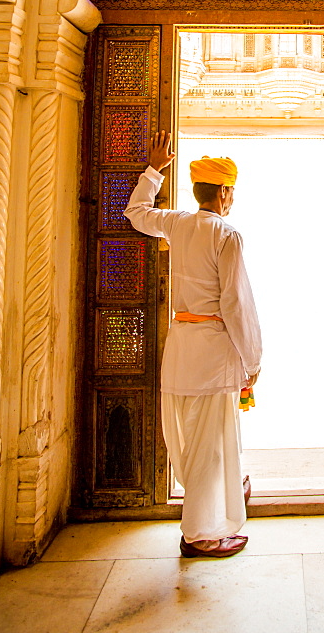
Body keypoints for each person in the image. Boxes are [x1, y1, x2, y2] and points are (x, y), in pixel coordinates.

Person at [124, 131, 262, 558]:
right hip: (213, 352)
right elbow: (236, 303)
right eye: (232, 192)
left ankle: (228, 493)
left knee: (194, 438)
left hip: (180, 349)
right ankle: (200, 535)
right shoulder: (226, 235)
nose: (233, 199)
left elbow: (136, 213)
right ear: (223, 192)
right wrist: (253, 358)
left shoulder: (178, 223)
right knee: (208, 443)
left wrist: (154, 171)